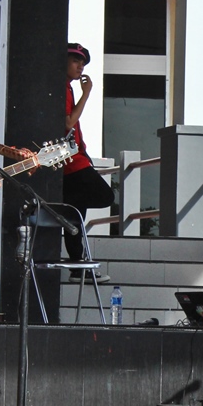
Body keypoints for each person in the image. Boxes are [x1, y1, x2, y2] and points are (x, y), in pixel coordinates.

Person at [62, 42, 113, 281]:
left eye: (83, 63)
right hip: (70, 162)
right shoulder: (63, 88)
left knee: (74, 218)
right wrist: (87, 93)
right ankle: (77, 266)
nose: (80, 66)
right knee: (105, 196)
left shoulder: (67, 88)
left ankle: (77, 268)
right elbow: (69, 123)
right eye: (76, 61)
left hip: (74, 159)